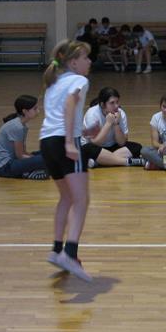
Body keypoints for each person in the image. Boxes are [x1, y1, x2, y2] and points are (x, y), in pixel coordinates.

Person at [39, 39, 93, 281]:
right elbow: (70, 104)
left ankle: (56, 249)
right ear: (73, 63)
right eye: (85, 58)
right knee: (81, 199)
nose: (89, 62)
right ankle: (70, 254)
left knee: (66, 198)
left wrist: (82, 131)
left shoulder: (54, 83)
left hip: (47, 142)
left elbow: (58, 114)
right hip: (64, 141)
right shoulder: (78, 80)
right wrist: (71, 141)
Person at [81, 86, 144, 167]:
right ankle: (127, 161)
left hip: (111, 147)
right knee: (89, 149)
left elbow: (122, 142)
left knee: (137, 147)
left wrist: (116, 124)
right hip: (95, 148)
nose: (116, 106)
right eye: (112, 103)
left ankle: (100, 162)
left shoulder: (121, 113)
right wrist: (108, 123)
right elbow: (96, 143)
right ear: (102, 104)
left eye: (117, 102)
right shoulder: (92, 114)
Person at [0, 95, 48, 179]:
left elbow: (23, 152)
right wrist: (37, 160)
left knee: (47, 153)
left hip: (14, 162)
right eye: (35, 109)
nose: (38, 111)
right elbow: (20, 155)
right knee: (45, 159)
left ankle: (32, 171)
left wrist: (35, 159)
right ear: (25, 111)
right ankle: (28, 173)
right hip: (6, 167)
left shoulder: (22, 125)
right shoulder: (17, 126)